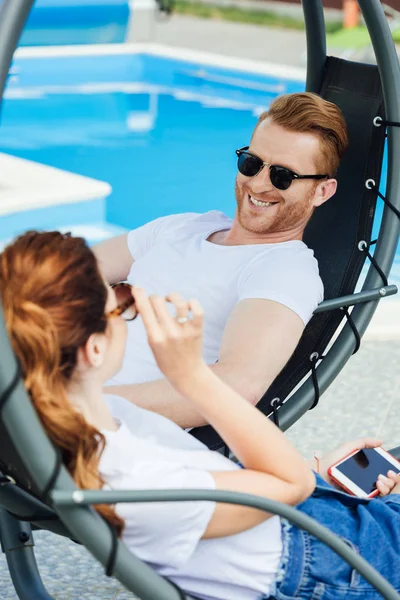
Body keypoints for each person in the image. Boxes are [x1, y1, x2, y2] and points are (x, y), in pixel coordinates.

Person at [1, 229, 400, 600]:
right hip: (332, 566)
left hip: (308, 524)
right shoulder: (136, 482)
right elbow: (289, 485)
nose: (132, 306)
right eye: (120, 302)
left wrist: (324, 487)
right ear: (94, 350)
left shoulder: (69, 420)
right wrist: (191, 375)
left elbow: (266, 487)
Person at [93, 92, 349, 429]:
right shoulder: (184, 226)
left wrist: (81, 403)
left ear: (322, 192)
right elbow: (66, 270)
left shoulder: (284, 271)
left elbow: (236, 387)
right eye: (252, 163)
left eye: (283, 176)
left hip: (97, 423)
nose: (258, 183)